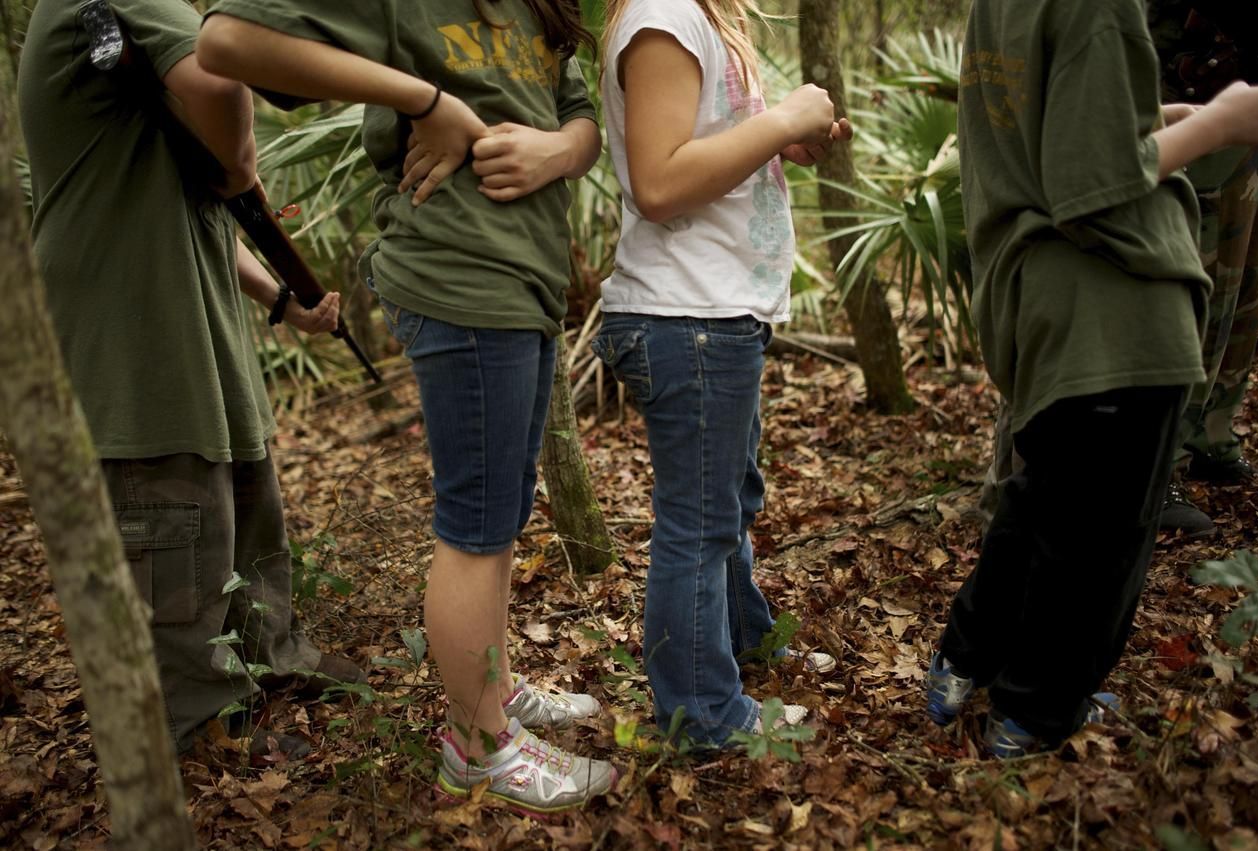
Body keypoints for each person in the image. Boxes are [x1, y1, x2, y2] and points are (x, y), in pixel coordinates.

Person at [197, 0, 616, 814]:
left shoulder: (540, 8)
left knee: (503, 510)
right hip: (459, 271)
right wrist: (428, 103)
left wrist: (560, 150)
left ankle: (489, 688)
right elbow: (226, 39)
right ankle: (478, 743)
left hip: (524, 278)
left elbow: (577, 112)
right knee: (477, 522)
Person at [925, 0, 1258, 757]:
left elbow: (1054, 123)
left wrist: (1153, 113)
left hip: (1040, 302)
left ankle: (962, 664)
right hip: (1115, 307)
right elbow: (1094, 181)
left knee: (1042, 499)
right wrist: (1224, 125)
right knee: (1101, 538)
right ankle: (1035, 715)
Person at [17, 0, 366, 758]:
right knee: (169, 524)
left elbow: (199, 208)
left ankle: (269, 658)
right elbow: (219, 79)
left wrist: (282, 297)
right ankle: (202, 719)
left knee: (245, 500)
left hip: (186, 319)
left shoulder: (134, 39)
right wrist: (241, 164)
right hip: (129, 324)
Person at [593, 0, 850, 748]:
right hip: (686, 315)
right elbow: (661, 182)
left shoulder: (700, 14)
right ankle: (703, 713)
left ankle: (743, 643)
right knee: (698, 524)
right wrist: (783, 116)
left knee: (726, 502)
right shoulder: (665, 15)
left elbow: (702, 148)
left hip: (715, 311)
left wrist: (785, 139)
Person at [1148, 0, 1258, 536]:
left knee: (1242, 280)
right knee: (1192, 285)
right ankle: (1158, 469)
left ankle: (1212, 435)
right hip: (1183, 95)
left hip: (1243, 83)